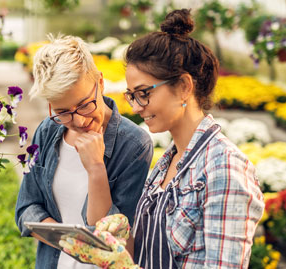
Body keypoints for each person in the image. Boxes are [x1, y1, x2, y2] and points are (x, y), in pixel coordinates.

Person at [59, 9, 265, 268]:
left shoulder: (224, 168)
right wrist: (121, 240)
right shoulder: (165, 164)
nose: (135, 107)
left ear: (184, 87)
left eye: (144, 93)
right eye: (132, 95)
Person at [14, 34, 153, 269]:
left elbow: (115, 241)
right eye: (63, 111)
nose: (78, 120)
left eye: (84, 104)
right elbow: (26, 208)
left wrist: (96, 168)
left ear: (100, 82)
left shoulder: (134, 145)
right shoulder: (47, 131)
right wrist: (72, 245)